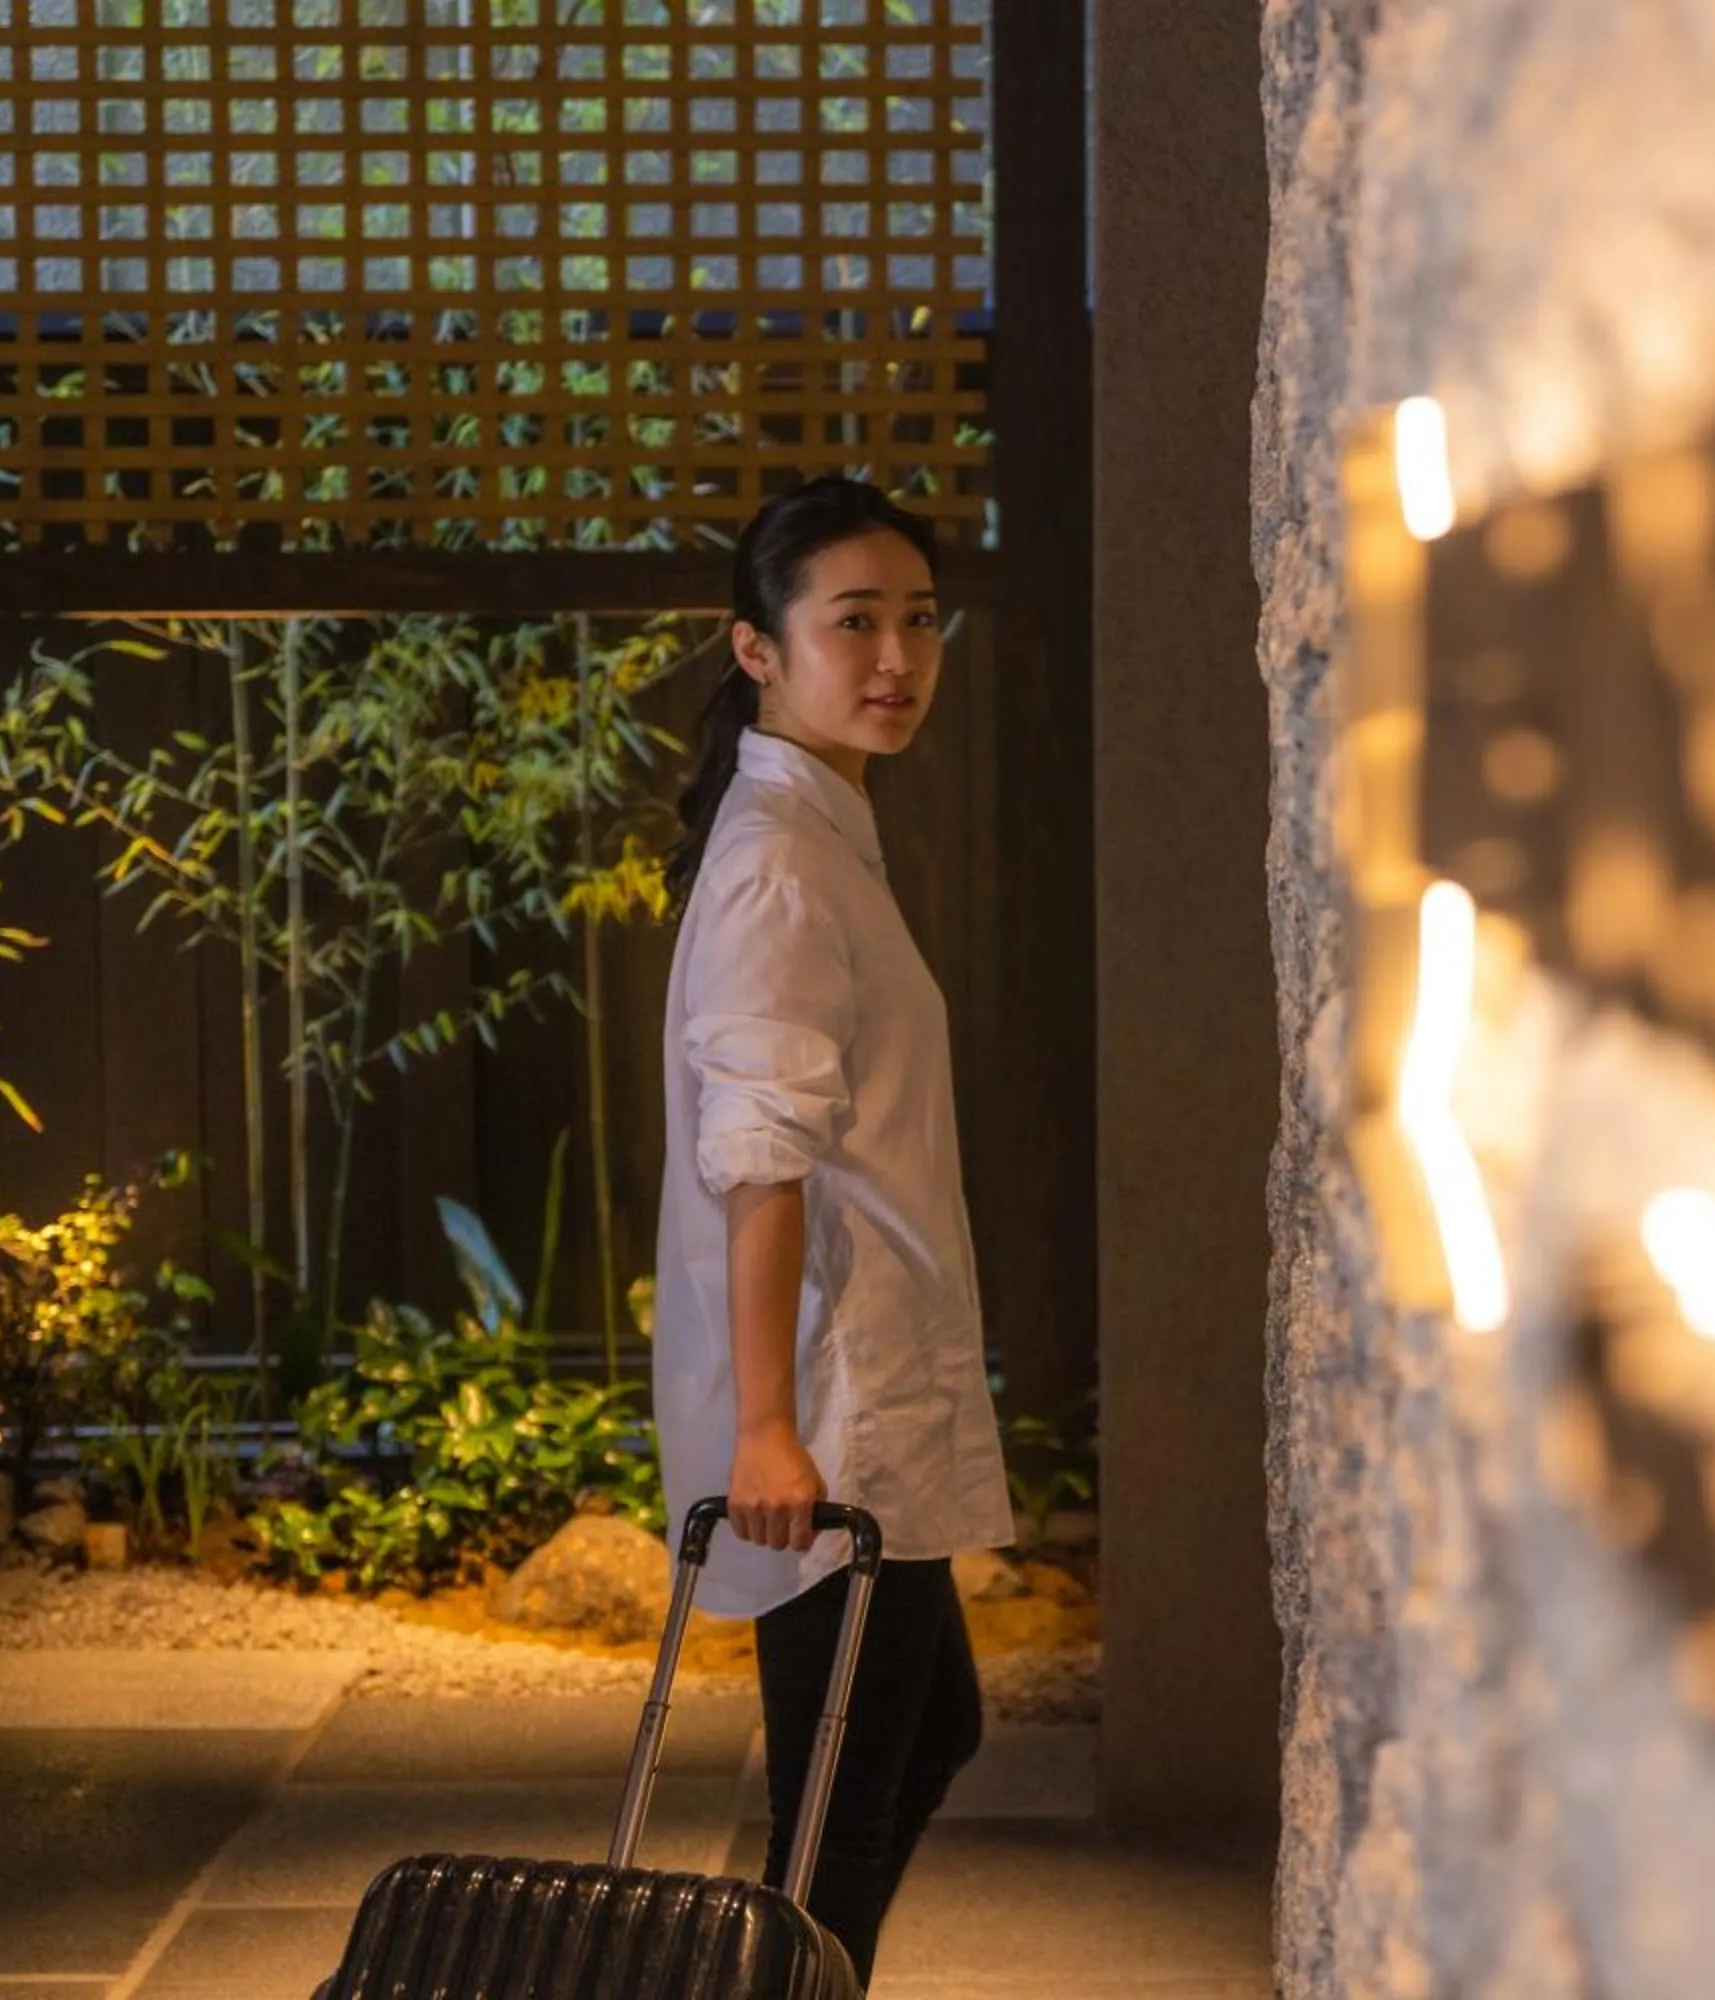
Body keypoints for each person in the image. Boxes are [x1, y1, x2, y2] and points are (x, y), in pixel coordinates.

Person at [653, 474, 1014, 1986]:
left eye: (919, 620)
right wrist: (770, 1432)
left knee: (924, 1738)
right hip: (833, 1412)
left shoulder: (818, 826)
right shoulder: (780, 867)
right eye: (852, 622)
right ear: (757, 650)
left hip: (873, 1385)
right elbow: (761, 1164)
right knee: (832, 1827)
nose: (896, 659)